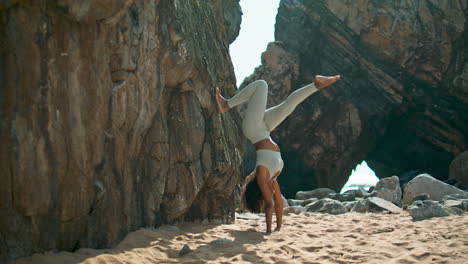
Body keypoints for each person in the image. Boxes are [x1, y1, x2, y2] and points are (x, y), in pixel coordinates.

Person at [215, 75, 341, 233]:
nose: (248, 177)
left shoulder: (262, 173)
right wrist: (276, 228)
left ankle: (226, 105)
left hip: (254, 130)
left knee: (261, 84)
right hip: (264, 129)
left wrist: (269, 230)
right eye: (248, 180)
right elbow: (275, 203)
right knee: (289, 105)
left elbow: (270, 203)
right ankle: (316, 85)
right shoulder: (270, 177)